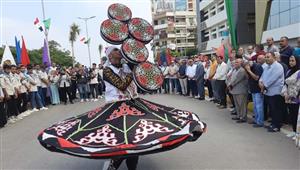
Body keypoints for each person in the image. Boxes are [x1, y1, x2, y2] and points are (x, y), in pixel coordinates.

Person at [259, 52, 285, 132]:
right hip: (268, 92)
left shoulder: (278, 66)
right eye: (266, 57)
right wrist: (260, 82)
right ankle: (273, 123)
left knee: (277, 110)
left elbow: (273, 79)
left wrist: (263, 86)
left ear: (273, 57)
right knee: (272, 110)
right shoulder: (267, 67)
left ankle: (277, 126)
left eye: (268, 57)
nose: (266, 58)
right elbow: (262, 76)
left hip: (276, 92)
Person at [281, 56, 300, 139]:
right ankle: (294, 131)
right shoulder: (289, 71)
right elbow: (286, 84)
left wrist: (291, 95)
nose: (291, 62)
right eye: (290, 61)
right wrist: (285, 94)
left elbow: (298, 86)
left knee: (297, 116)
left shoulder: (299, 72)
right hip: (288, 97)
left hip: (296, 97)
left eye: (293, 61)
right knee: (292, 115)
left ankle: (298, 133)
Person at [245, 55, 265, 127]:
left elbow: (256, 78)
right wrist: (247, 71)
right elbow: (248, 77)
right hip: (253, 89)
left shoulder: (257, 66)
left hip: (258, 89)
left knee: (259, 106)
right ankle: (256, 120)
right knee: (255, 106)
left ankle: (260, 122)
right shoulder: (250, 67)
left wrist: (249, 70)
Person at [228, 59, 249, 123]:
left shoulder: (242, 70)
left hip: (241, 90)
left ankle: (243, 117)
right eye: (235, 62)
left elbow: (236, 80)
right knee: (237, 104)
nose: (235, 63)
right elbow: (231, 78)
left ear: (241, 63)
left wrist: (230, 85)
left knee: (242, 105)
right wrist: (229, 84)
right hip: (234, 90)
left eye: (237, 62)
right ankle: (239, 115)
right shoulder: (234, 70)